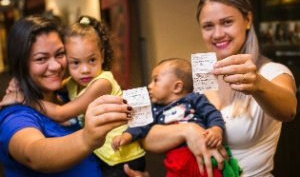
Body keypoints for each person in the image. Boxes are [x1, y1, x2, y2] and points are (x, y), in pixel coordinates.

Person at [127, 0, 297, 177]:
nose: (217, 34)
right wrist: (188, 130)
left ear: (248, 19)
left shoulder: (272, 72)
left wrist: (257, 84)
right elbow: (148, 136)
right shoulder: (200, 73)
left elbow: (288, 110)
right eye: (208, 26)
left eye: (227, 22)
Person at [0, 14, 131, 176]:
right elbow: (33, 155)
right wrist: (86, 138)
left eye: (60, 54)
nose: (55, 66)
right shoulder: (16, 115)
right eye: (41, 59)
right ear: (22, 64)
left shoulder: (67, 95)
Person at [37, 15, 146, 177]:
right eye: (75, 62)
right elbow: (51, 87)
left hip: (123, 157)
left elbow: (62, 114)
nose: (85, 70)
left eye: (92, 60)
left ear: (101, 55)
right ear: (66, 60)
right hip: (103, 154)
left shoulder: (102, 83)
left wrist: (25, 99)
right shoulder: (73, 82)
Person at [113, 58, 241, 177]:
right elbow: (141, 127)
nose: (150, 86)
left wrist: (216, 130)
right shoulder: (155, 109)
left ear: (177, 87)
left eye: (155, 80)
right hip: (175, 163)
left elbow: (212, 113)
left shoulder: (194, 99)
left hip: (202, 157)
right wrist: (126, 136)